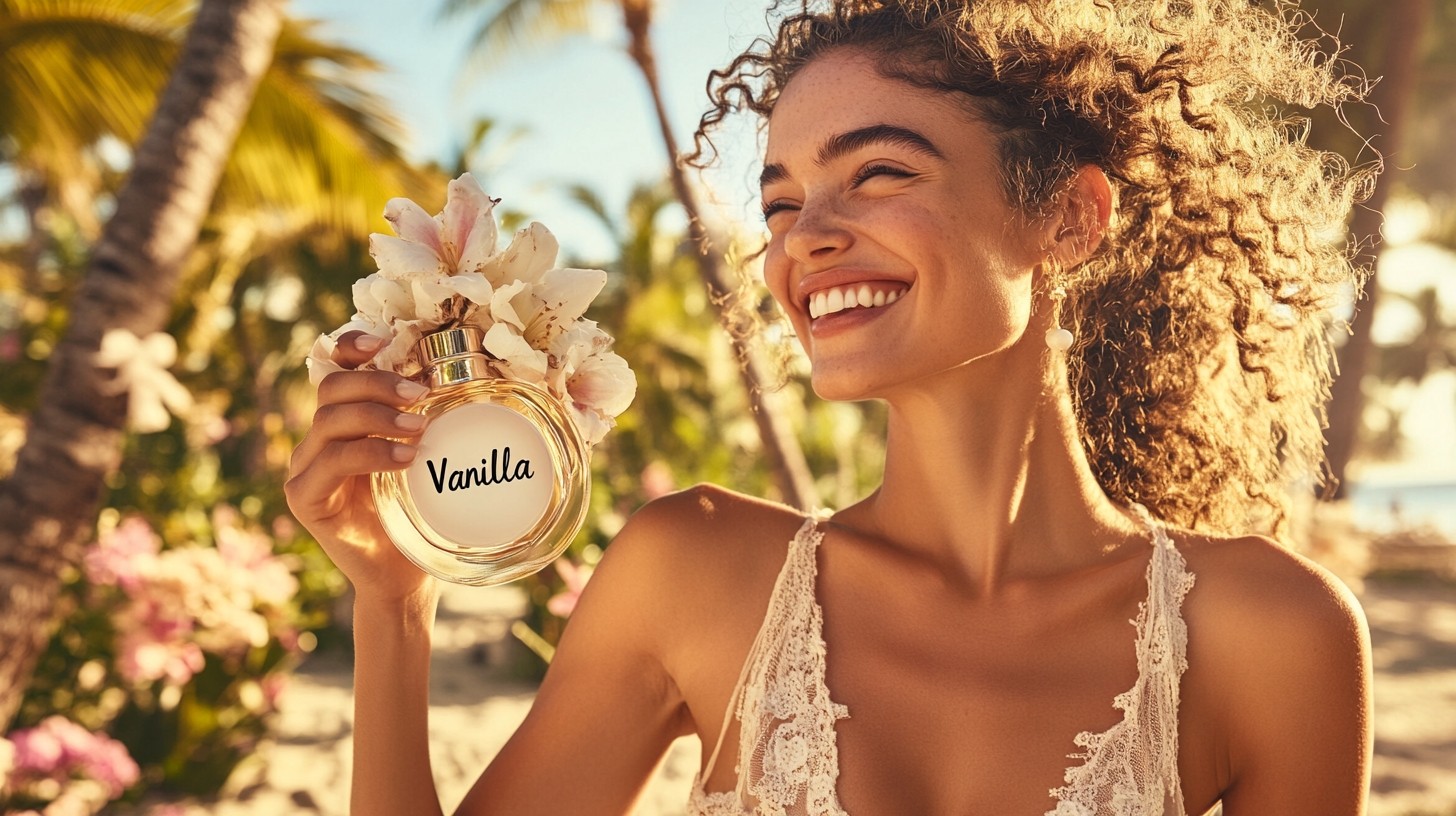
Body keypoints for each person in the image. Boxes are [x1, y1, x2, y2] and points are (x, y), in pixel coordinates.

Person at [285, 0, 1375, 813]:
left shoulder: (1269, 637)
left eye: (881, 174)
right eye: (782, 200)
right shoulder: (694, 575)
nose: (805, 237)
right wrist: (390, 606)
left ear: (1070, 219)